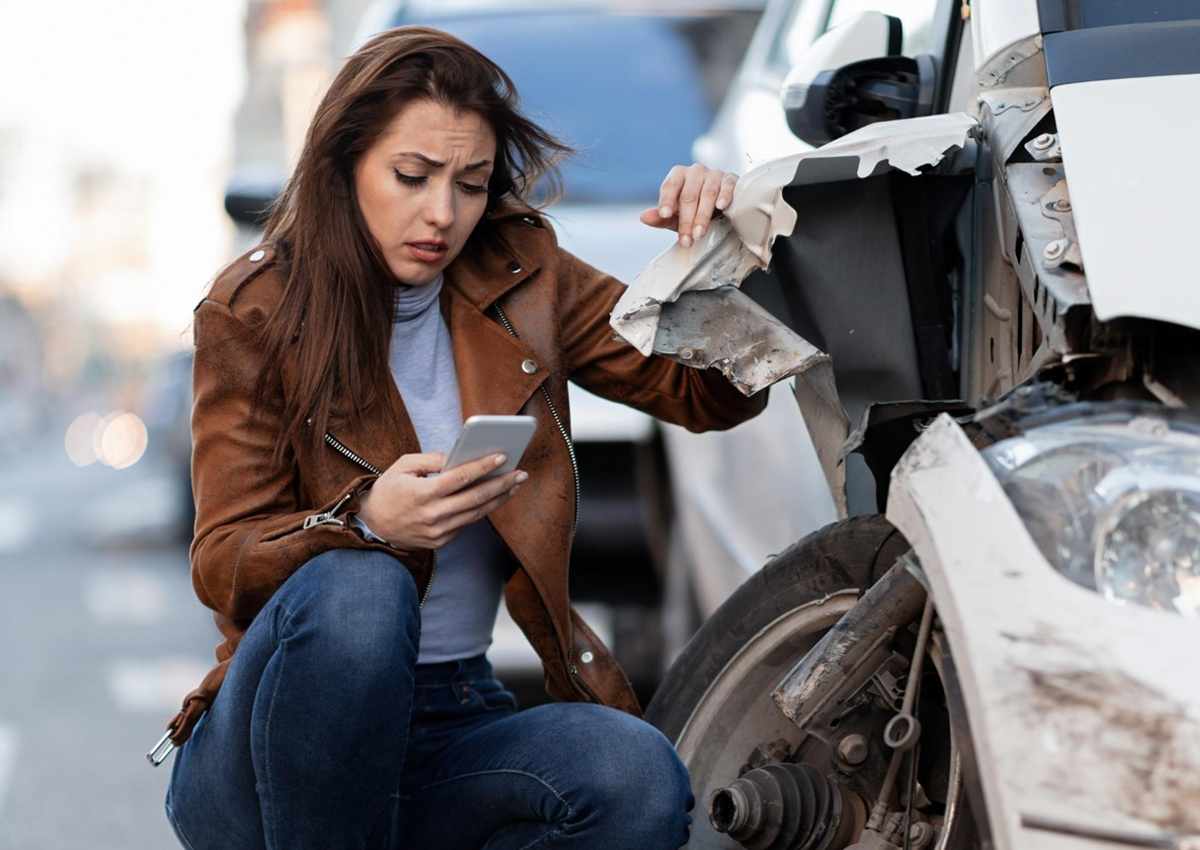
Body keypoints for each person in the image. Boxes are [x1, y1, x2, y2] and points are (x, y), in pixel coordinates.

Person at [162, 25, 766, 850]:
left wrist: (719, 255)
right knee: (363, 590)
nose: (442, 214)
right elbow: (221, 559)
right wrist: (370, 522)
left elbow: (707, 395)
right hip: (272, 751)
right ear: (344, 168)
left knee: (634, 777)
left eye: (472, 184)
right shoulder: (255, 308)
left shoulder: (523, 275)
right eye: (411, 176)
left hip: (452, 720)